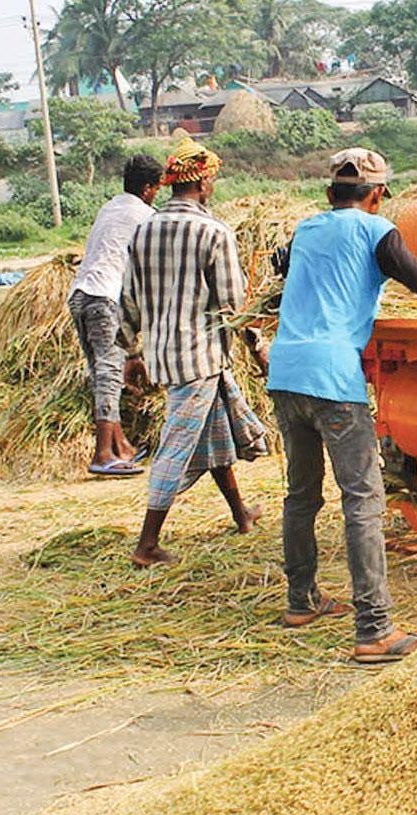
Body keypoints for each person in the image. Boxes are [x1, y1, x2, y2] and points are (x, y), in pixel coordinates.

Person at [267, 148, 417, 663]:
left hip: (286, 371)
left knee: (301, 494)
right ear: (378, 193)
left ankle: (301, 601)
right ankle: (374, 630)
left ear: (329, 192)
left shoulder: (306, 230)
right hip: (334, 378)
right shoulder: (375, 232)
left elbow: (285, 274)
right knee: (362, 500)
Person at [120, 140, 268, 568]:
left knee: (216, 435)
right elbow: (232, 305)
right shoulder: (213, 232)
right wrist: (257, 347)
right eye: (212, 180)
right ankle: (147, 544)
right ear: (203, 182)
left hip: (164, 353)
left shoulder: (143, 229)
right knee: (176, 448)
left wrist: (132, 352)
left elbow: (128, 298)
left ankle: (241, 514)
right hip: (199, 355)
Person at [68, 154, 161, 477]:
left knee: (100, 371)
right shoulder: (146, 215)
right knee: (109, 373)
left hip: (80, 295)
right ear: (149, 188)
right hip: (105, 297)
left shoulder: (110, 207)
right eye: (156, 188)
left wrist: (132, 350)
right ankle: (103, 453)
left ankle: (121, 446)